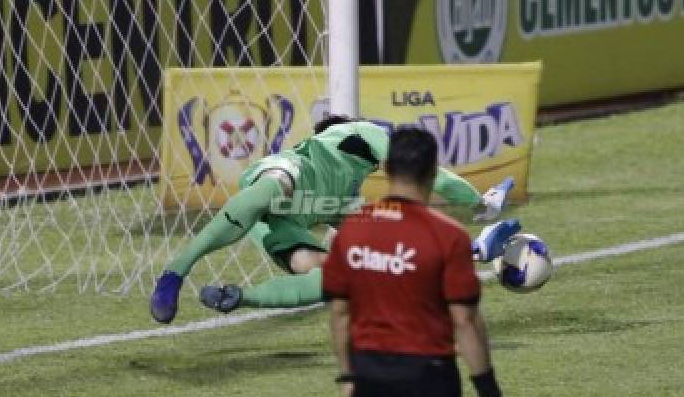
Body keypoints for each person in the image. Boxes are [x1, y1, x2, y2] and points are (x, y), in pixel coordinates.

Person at [150, 114, 518, 323]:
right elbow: (427, 171)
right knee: (272, 189)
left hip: (276, 224)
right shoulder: (355, 132)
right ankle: (174, 273)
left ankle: (239, 297)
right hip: (286, 173)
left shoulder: (342, 203)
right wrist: (476, 200)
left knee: (336, 275)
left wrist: (473, 249)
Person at [322, 127, 502, 397]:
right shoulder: (448, 236)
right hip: (428, 377)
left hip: (371, 373)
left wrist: (349, 374)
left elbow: (340, 312)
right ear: (433, 172)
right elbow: (464, 319)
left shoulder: (352, 230)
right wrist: (486, 390)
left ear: (385, 169)